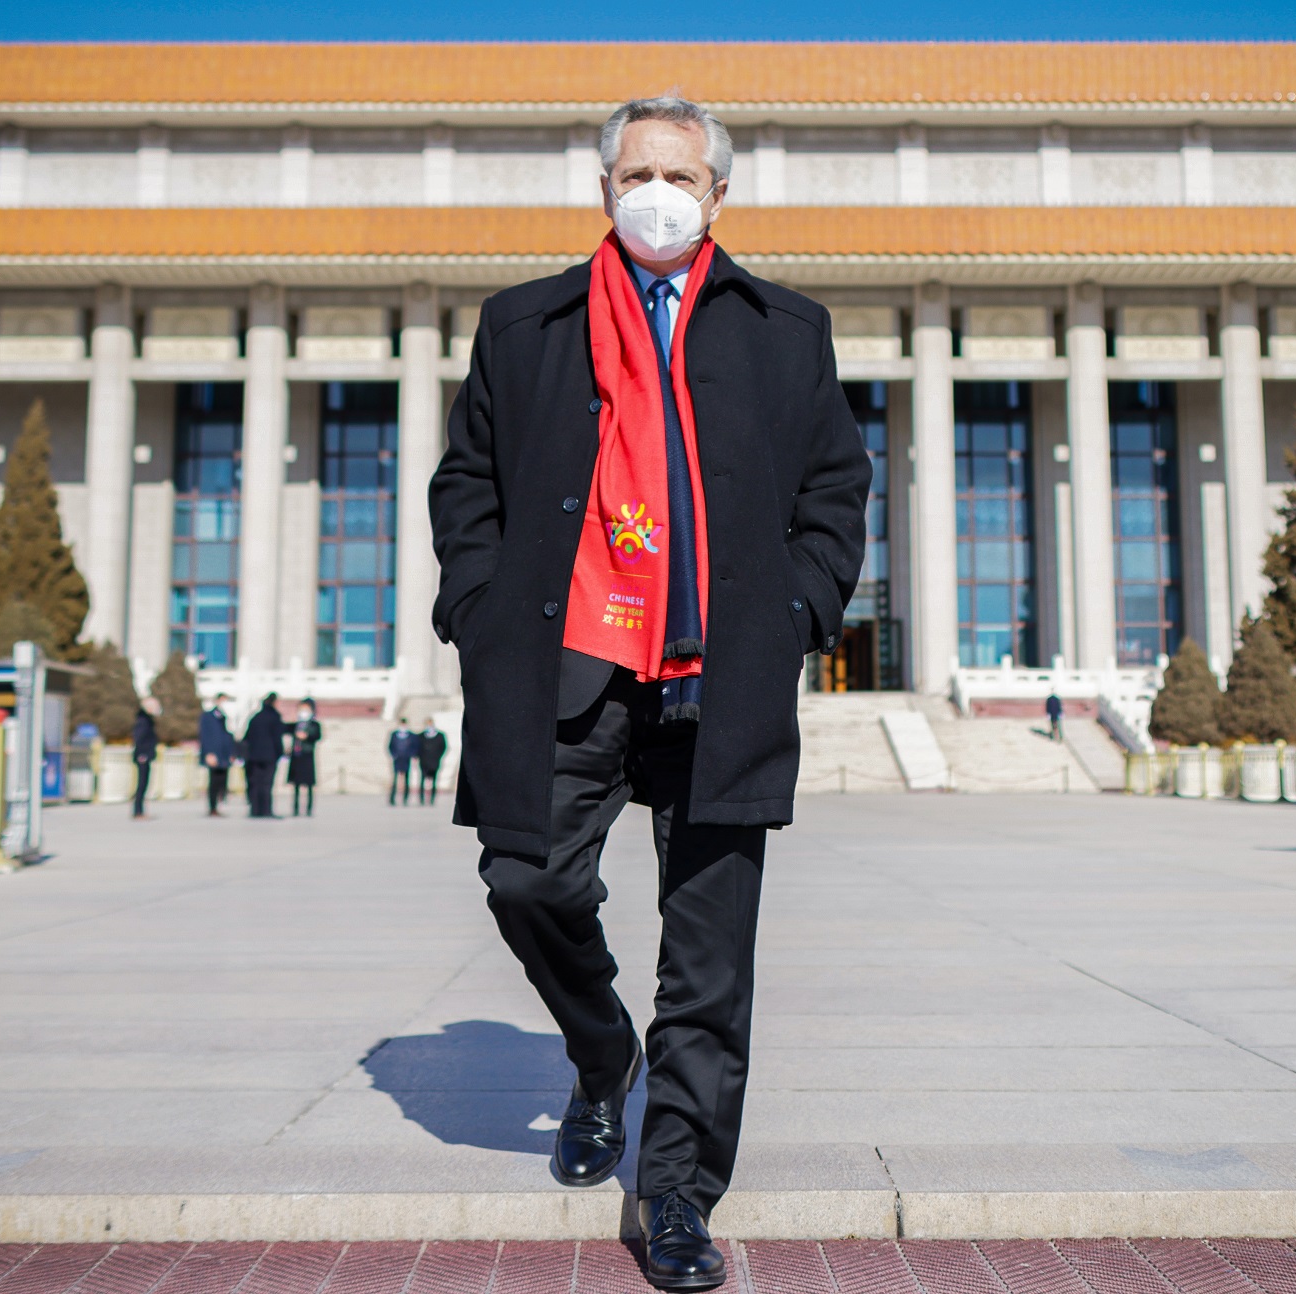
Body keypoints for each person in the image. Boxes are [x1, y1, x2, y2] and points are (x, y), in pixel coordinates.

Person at [429, 96, 869, 1291]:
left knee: (709, 960)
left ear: (719, 193)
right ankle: (597, 1050)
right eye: (636, 172)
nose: (657, 191)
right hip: (565, 666)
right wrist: (474, 613)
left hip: (717, 677)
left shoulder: (785, 329)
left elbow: (834, 490)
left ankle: (674, 1191)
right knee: (525, 877)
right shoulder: (524, 325)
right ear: (604, 189)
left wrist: (796, 613)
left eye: (679, 172)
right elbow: (466, 484)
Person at [242, 693, 285, 819]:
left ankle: (255, 810)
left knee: (255, 783)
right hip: (269, 756)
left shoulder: (255, 717)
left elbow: (247, 737)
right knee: (267, 784)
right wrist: (279, 753)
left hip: (254, 756)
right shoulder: (274, 717)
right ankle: (266, 810)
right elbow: (277, 738)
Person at [198, 693, 234, 816]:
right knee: (214, 781)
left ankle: (220, 804)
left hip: (224, 754)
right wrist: (208, 753)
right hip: (214, 753)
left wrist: (231, 753)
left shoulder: (225, 717)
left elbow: (229, 737)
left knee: (223, 780)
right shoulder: (208, 716)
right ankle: (212, 807)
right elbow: (205, 736)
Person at [288, 698, 323, 817]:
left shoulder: (314, 725)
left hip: (307, 755)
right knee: (296, 785)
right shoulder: (296, 724)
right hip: (297, 756)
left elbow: (317, 735)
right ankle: (296, 808)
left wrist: (306, 736)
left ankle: (309, 808)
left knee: (309, 785)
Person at [130, 697, 161, 820]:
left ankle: (140, 810)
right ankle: (138, 811)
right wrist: (141, 754)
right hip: (143, 756)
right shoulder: (143, 721)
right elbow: (139, 738)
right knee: (141, 784)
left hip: (147, 754)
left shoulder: (148, 720)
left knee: (145, 783)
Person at [387, 721, 420, 806]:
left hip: (406, 759)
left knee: (406, 779)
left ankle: (405, 798)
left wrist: (411, 755)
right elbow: (390, 746)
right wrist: (394, 755)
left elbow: (415, 747)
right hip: (397, 759)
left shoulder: (412, 735)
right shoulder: (394, 735)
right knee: (395, 779)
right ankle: (392, 798)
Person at [416, 717, 447, 806]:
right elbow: (417, 748)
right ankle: (421, 799)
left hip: (434, 761)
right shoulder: (421, 736)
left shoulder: (440, 735)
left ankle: (432, 799)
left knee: (434, 780)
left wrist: (438, 756)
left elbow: (443, 747)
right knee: (422, 780)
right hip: (424, 761)